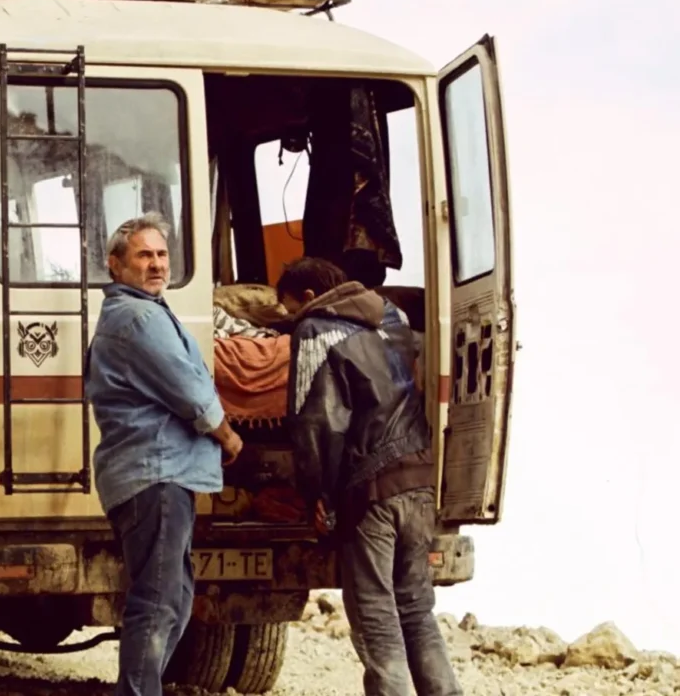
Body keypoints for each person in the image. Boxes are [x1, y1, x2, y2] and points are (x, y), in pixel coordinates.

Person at [276, 256, 461, 696]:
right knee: (416, 609)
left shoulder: (316, 329)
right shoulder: (392, 315)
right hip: (418, 480)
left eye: (288, 310)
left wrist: (319, 494)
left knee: (376, 615)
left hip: (371, 490)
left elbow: (318, 422)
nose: (288, 321)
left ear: (307, 297)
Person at [84, 213, 244, 696]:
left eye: (161, 255)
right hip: (154, 475)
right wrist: (229, 437)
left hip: (162, 474)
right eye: (143, 256)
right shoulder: (137, 317)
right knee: (156, 600)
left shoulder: (145, 311)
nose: (155, 265)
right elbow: (190, 391)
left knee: (173, 598)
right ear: (115, 266)